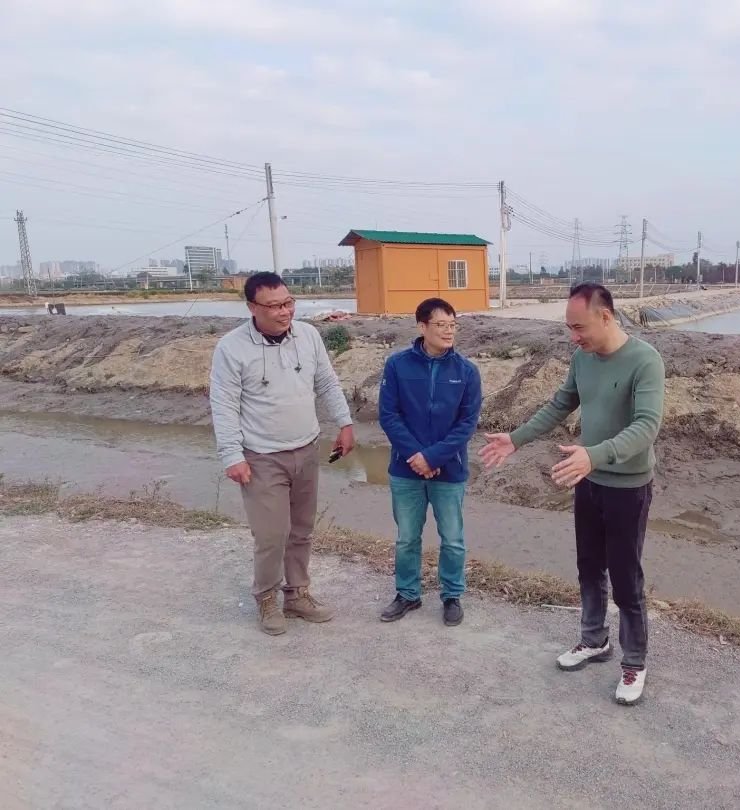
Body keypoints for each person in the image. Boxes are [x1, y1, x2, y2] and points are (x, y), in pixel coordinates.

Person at [479, 283, 664, 706]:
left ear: (606, 316)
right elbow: (560, 404)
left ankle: (634, 661)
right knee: (589, 566)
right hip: (588, 479)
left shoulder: (645, 360)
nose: (573, 337)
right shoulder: (582, 359)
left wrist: (593, 455)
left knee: (626, 577)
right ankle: (594, 639)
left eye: (579, 327)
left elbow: (646, 427)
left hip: (628, 486)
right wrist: (516, 438)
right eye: (569, 327)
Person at [209, 271, 355, 635]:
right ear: (252, 307)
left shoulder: (308, 335)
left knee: (302, 530)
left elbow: (327, 382)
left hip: (306, 448)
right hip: (261, 456)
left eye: (288, 303)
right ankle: (266, 598)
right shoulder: (231, 348)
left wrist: (345, 423)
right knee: (271, 534)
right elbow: (224, 405)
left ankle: (297, 594)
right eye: (273, 306)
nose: (284, 311)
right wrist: (232, 455)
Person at [377, 298, 482, 627]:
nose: (449, 331)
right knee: (407, 537)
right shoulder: (397, 365)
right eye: (441, 325)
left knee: (452, 538)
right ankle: (408, 593)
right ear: (422, 326)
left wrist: (433, 457)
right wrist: (416, 456)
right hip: (405, 469)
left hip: (449, 470)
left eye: (453, 325)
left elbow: (467, 423)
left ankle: (452, 595)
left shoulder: (466, 371)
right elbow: (389, 415)